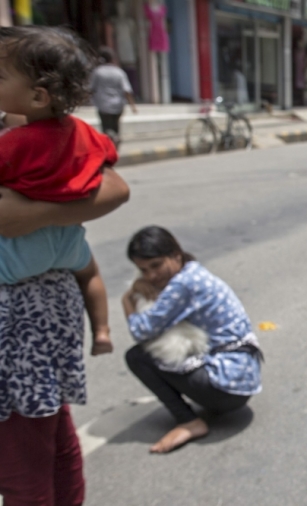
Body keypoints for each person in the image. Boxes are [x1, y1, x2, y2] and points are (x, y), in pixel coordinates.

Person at [0, 26, 130, 506]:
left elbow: (117, 187)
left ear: (36, 93)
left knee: (21, 455)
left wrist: (29, 212)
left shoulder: (15, 144)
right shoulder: (78, 135)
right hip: (51, 312)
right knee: (52, 436)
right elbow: (108, 168)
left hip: (15, 322)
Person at [122, 226, 263, 454]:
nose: (150, 276)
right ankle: (205, 402)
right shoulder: (193, 273)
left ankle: (189, 421)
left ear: (175, 255)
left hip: (228, 389)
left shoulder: (183, 285)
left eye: (156, 265)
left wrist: (127, 299)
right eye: (143, 270)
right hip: (243, 378)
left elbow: (141, 330)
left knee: (137, 356)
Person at [89, 45, 137, 148]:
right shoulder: (119, 72)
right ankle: (115, 145)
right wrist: (133, 106)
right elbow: (127, 90)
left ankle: (110, 146)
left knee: (106, 128)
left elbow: (90, 88)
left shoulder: (97, 72)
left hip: (103, 106)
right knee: (115, 127)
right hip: (118, 106)